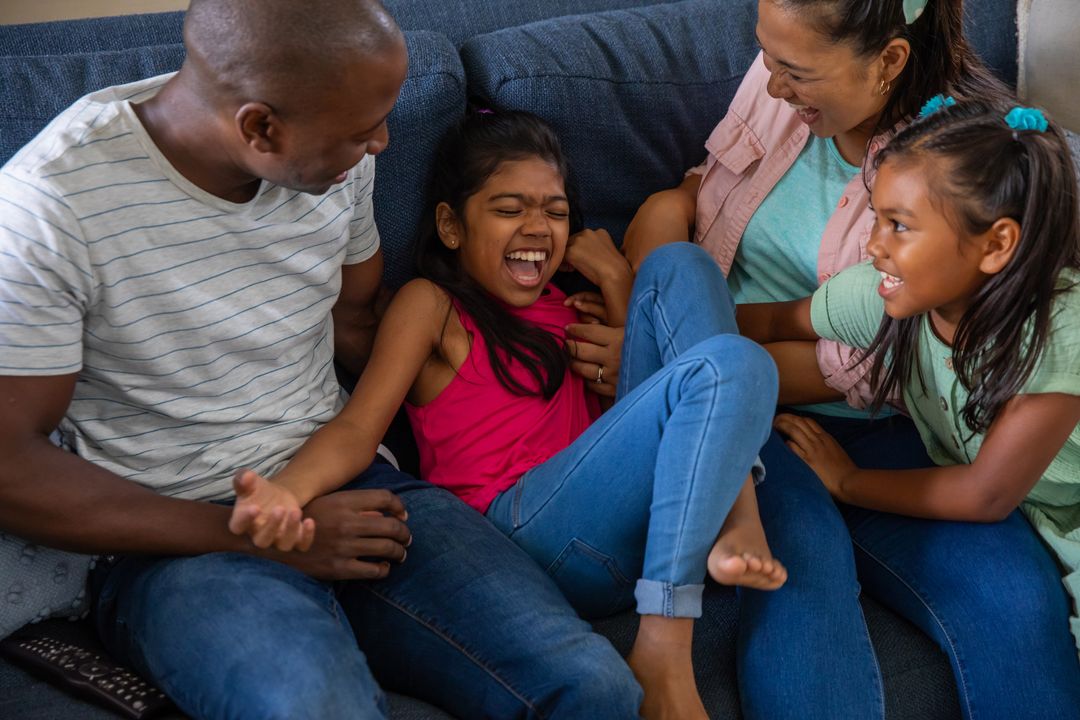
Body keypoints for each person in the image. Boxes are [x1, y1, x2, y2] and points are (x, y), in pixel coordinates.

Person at [0, 1, 647, 718]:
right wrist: (269, 540)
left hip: (354, 486)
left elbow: (358, 317)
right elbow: (11, 467)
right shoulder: (51, 206)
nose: (381, 144)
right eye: (360, 133)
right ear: (260, 128)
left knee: (594, 686)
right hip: (179, 538)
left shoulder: (336, 166)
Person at [229, 108, 784, 720]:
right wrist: (283, 493)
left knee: (683, 264)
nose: (537, 227)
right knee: (732, 362)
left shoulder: (573, 308)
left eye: (554, 210)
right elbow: (359, 428)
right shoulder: (432, 307)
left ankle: (733, 511)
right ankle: (666, 642)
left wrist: (619, 284)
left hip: (621, 530)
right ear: (450, 225)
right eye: (508, 208)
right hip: (520, 536)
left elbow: (632, 434)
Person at [613, 0, 1080, 718]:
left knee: (1014, 600)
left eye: (794, 69)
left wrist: (687, 351)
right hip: (739, 399)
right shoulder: (783, 79)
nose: (772, 84)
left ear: (889, 60)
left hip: (878, 421)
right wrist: (664, 319)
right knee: (799, 578)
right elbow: (698, 191)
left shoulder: (952, 168)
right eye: (766, 57)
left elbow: (861, 369)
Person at [743, 98, 1080, 710]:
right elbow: (767, 320)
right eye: (875, 217)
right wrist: (650, 325)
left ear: (997, 244)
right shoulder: (889, 296)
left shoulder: (1057, 334)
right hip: (1039, 511)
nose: (873, 245)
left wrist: (847, 483)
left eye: (899, 225)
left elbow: (986, 494)